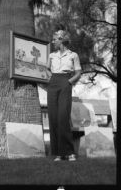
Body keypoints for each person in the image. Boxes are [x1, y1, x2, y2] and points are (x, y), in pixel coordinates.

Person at [47, 30, 82, 161]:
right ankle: (59, 153)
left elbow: (78, 73)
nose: (53, 41)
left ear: (61, 39)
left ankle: (69, 152)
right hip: (53, 83)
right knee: (53, 118)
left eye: (55, 39)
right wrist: (51, 79)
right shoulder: (51, 55)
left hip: (66, 82)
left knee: (63, 117)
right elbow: (46, 69)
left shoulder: (73, 55)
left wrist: (69, 82)